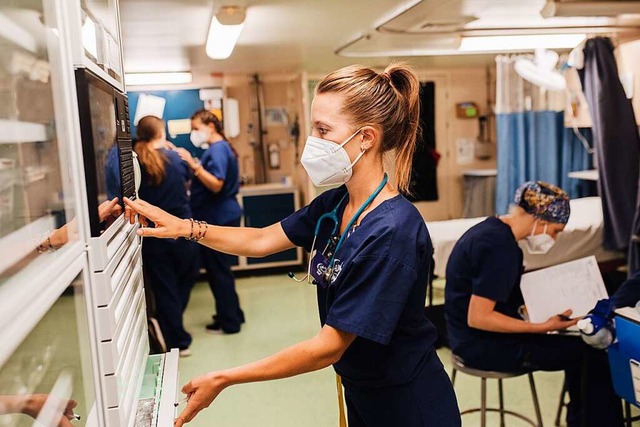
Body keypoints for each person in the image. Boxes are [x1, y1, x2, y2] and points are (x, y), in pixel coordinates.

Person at [124, 63, 461, 427]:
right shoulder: (336, 203)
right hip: (363, 391)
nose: (311, 143)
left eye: (323, 130)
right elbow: (262, 239)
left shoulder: (392, 232)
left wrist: (224, 378)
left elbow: (328, 346)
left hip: (407, 402)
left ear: (366, 137)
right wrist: (185, 228)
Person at [444, 180, 624, 427]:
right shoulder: (500, 248)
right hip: (481, 346)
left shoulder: (491, 230)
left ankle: (582, 419)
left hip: (465, 338)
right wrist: (541, 327)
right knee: (590, 351)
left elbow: (497, 298)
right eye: (555, 231)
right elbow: (479, 317)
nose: (553, 238)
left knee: (578, 345)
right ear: (539, 219)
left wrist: (542, 316)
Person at [175, 110, 244, 334]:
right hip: (221, 213)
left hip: (218, 215)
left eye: (196, 128)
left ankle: (230, 322)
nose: (194, 133)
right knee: (221, 269)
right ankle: (233, 313)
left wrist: (193, 165)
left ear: (210, 126)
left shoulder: (218, 149)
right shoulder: (219, 149)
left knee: (218, 271)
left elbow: (216, 184)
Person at [134, 115, 199, 356]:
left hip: (153, 234)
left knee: (165, 286)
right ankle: (177, 338)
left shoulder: (136, 160)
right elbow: (187, 184)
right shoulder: (175, 158)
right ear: (161, 131)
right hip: (181, 229)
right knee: (186, 277)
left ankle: (169, 326)